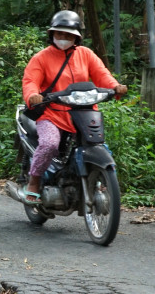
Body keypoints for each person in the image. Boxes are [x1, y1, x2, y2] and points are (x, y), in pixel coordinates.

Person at [21, 11, 127, 205]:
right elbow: (30, 81)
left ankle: (101, 181)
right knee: (50, 144)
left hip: (83, 113)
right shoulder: (41, 58)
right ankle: (34, 181)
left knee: (100, 146)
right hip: (52, 114)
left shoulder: (86, 54)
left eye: (69, 35)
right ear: (52, 34)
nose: (63, 38)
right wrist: (32, 95)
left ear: (76, 38)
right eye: (60, 34)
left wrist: (115, 87)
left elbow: (102, 74)